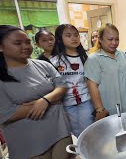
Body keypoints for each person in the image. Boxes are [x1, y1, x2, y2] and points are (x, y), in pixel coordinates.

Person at [0, 25, 72, 159]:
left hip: (60, 131)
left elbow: (61, 87)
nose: (26, 46)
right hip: (29, 141)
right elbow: (6, 114)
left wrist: (44, 101)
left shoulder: (43, 65)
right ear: (1, 47)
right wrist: (53, 100)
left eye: (27, 42)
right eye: (18, 43)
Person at [50, 24, 94, 137]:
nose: (74, 38)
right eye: (68, 35)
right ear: (60, 39)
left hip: (86, 99)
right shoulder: (55, 60)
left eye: (76, 35)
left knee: (88, 129)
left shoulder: (86, 57)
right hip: (66, 102)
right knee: (75, 131)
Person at [85, 23, 126, 121]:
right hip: (108, 109)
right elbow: (92, 85)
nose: (114, 43)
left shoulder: (121, 55)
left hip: (125, 106)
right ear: (100, 39)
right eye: (110, 39)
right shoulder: (94, 59)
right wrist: (99, 109)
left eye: (117, 39)